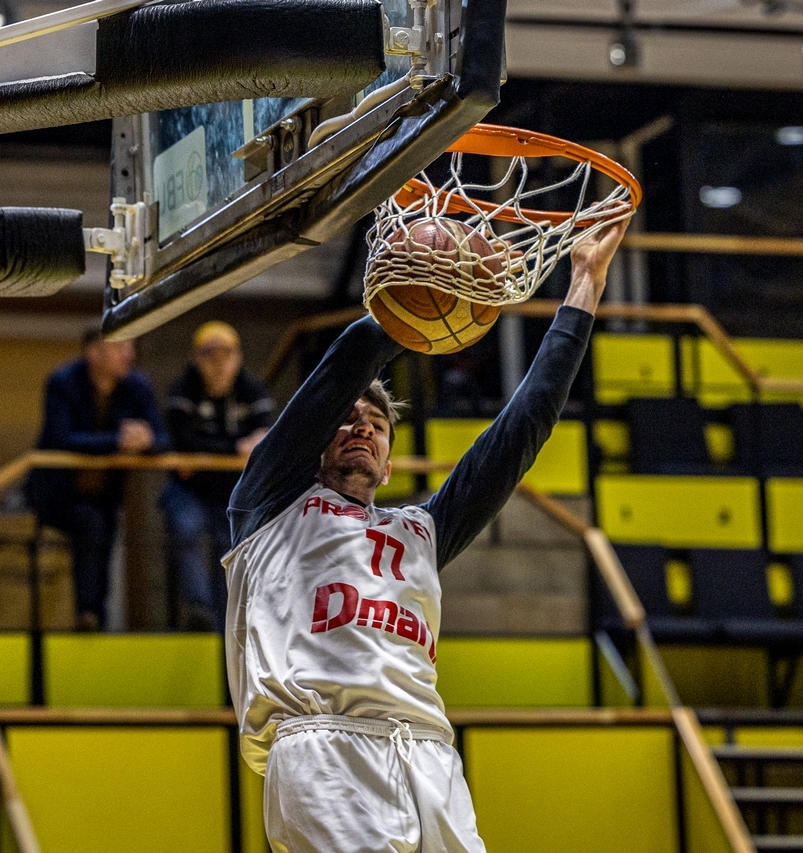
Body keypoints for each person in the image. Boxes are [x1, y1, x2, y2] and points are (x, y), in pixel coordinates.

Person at [223, 219, 629, 852]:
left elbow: (524, 426)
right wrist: (424, 287)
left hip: (429, 754)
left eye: (376, 425)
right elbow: (343, 366)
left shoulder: (422, 531)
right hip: (323, 747)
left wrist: (583, 285)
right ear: (311, 442)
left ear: (389, 462)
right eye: (345, 419)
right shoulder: (268, 504)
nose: (360, 427)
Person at [25, 327, 169, 632]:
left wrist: (146, 440)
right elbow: (59, 438)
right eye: (120, 347)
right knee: (92, 526)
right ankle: (88, 615)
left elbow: (163, 439)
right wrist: (118, 440)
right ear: (94, 352)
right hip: (57, 493)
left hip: (105, 495)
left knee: (100, 535)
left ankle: (93, 618)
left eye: (130, 347)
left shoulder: (137, 385)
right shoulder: (63, 382)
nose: (129, 354)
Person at [161, 321, 274, 631]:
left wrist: (206, 455)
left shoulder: (251, 388)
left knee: (231, 548)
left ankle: (226, 621)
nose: (219, 364)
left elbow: (265, 438)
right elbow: (182, 441)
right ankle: (199, 610)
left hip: (232, 492)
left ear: (238, 358)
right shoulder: (183, 388)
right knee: (185, 528)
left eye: (226, 355)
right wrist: (235, 449)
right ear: (196, 359)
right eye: (210, 356)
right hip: (189, 488)